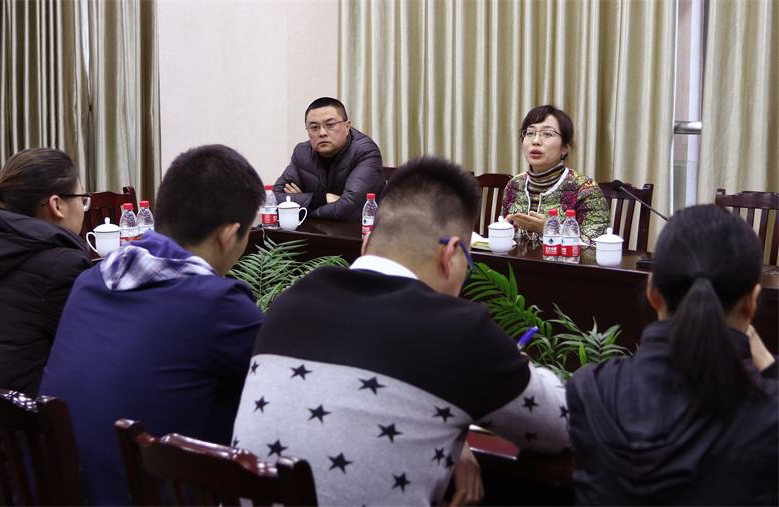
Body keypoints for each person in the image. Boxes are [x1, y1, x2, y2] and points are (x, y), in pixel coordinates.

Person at [231, 157, 572, 506]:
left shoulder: (292, 301)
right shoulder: (458, 330)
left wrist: (450, 437)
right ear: (451, 255)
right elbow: (563, 425)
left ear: (366, 244)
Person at [40, 145, 266, 505]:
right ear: (228, 235)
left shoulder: (91, 280)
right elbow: (278, 392)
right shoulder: (219, 305)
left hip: (58, 492)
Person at [567, 204, 778, 505]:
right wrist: (770, 366)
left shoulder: (590, 389)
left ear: (653, 292)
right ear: (751, 302)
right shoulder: (770, 411)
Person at [0, 148, 91, 396]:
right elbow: (92, 352)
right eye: (82, 198)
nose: (84, 208)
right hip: (26, 416)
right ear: (56, 205)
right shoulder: (63, 265)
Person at [502, 105, 609, 243]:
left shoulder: (585, 188)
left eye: (547, 134)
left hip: (564, 259)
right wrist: (507, 230)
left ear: (565, 148)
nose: (536, 141)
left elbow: (595, 245)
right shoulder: (514, 185)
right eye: (530, 133)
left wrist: (549, 230)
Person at [273, 97, 384, 221]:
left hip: (360, 230)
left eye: (330, 125)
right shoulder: (302, 153)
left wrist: (302, 208)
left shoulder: (365, 152)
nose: (322, 133)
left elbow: (347, 209)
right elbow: (273, 199)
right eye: (314, 127)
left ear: (347, 126)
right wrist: (323, 198)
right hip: (313, 230)